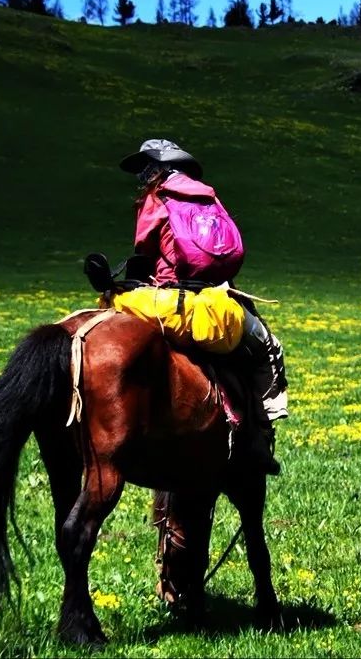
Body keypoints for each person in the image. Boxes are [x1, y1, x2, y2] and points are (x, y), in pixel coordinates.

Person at [119, 138, 287, 475]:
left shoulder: (154, 198)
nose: (141, 175)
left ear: (159, 167)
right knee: (267, 346)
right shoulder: (210, 198)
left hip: (164, 301)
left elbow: (143, 249)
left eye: (145, 167)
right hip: (214, 301)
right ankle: (260, 433)